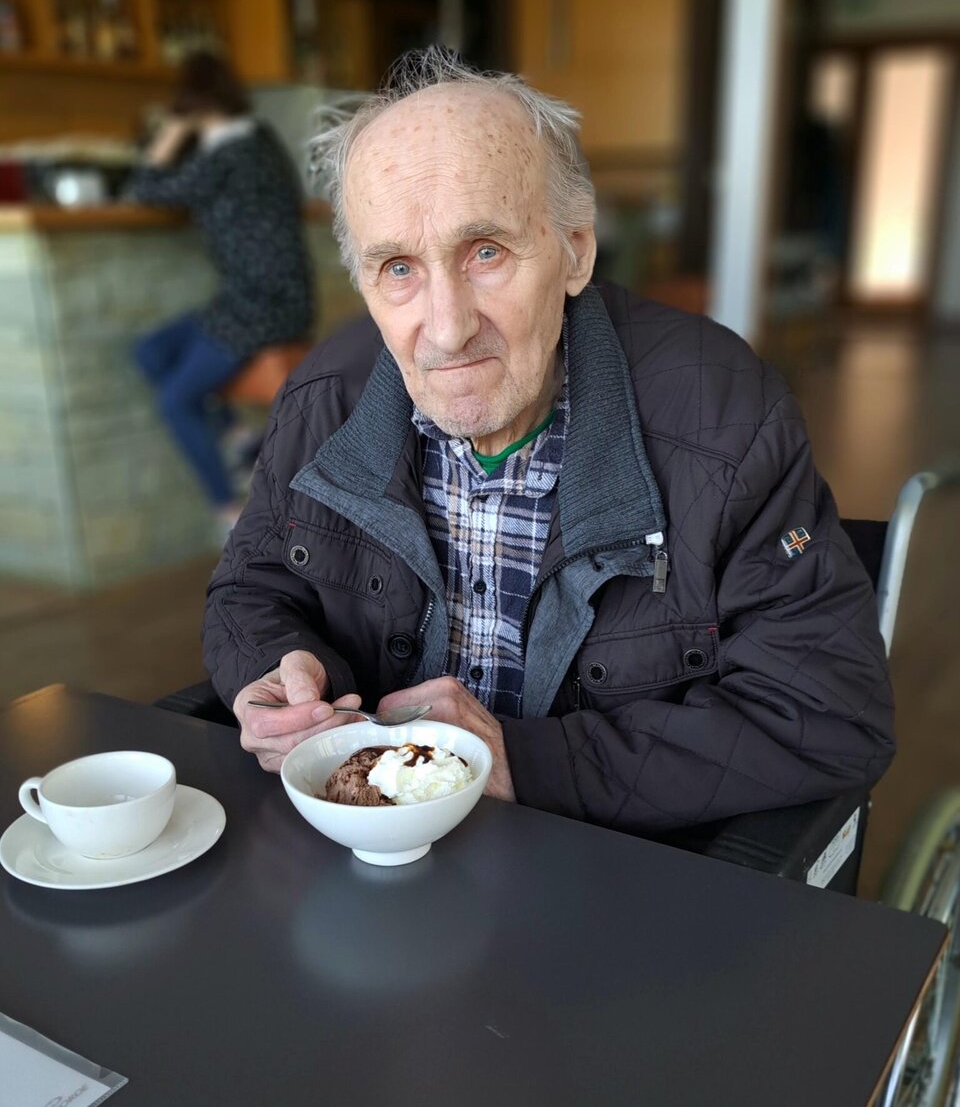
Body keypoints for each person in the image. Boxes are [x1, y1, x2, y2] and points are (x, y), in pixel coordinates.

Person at [202, 48, 894, 836]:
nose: (447, 328)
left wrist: (527, 763)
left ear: (575, 250)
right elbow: (250, 589)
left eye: (486, 252)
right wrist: (273, 670)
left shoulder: (725, 416)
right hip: (372, 847)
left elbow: (828, 714)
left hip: (610, 868)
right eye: (397, 268)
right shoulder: (324, 398)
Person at [127, 51, 314, 537]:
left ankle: (230, 512)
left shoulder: (228, 155)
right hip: (256, 298)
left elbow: (144, 187)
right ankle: (236, 435)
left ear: (189, 100)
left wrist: (172, 131)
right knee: (151, 352)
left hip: (264, 306)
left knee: (175, 402)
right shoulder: (258, 139)